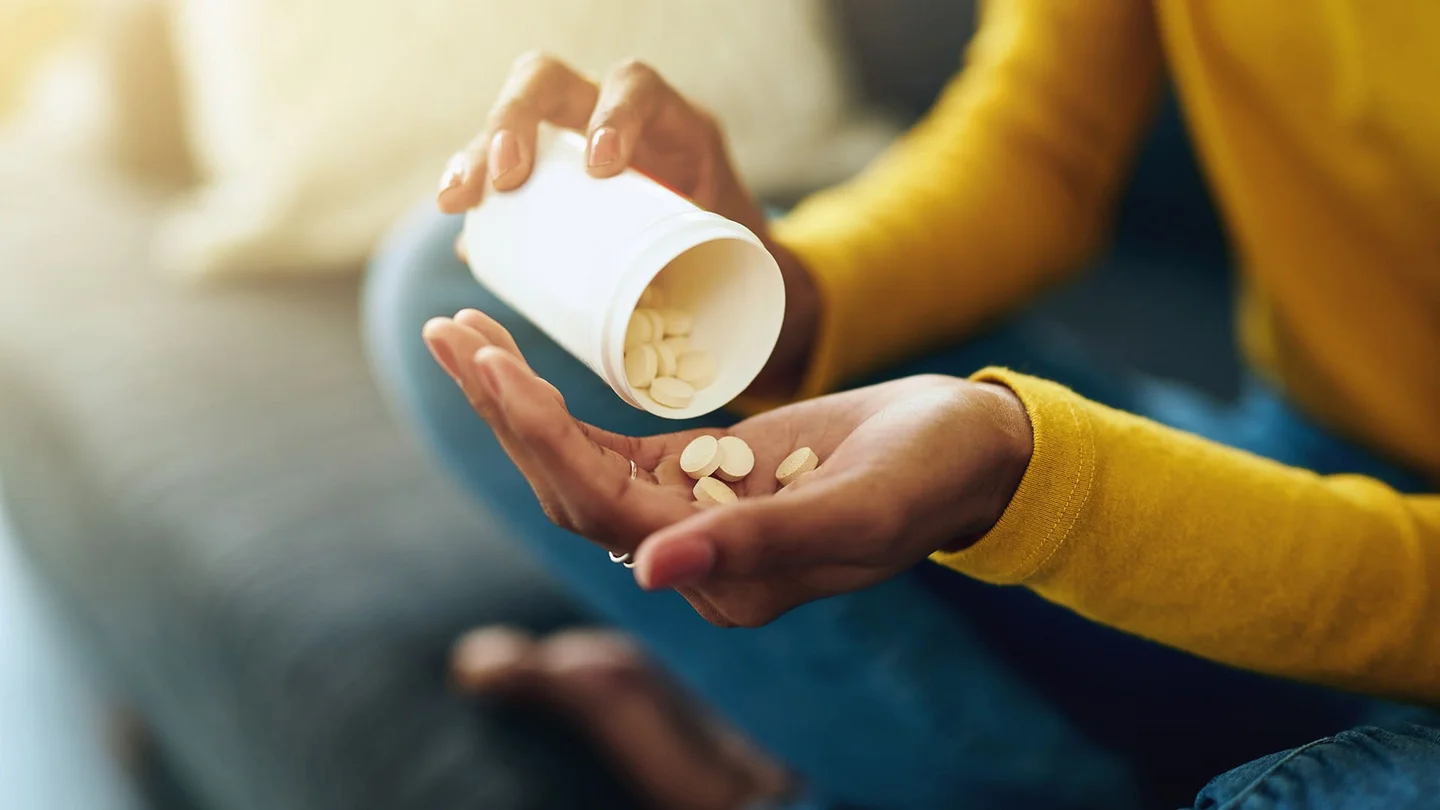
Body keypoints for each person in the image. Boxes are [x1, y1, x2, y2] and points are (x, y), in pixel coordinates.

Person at [365, 3, 1440, 808]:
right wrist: (791, 297)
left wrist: (1030, 478)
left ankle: (759, 774)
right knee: (454, 268)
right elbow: (1041, 145)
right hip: (1302, 454)